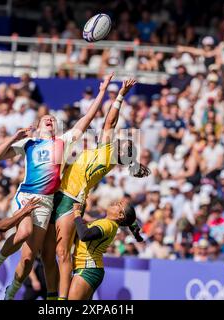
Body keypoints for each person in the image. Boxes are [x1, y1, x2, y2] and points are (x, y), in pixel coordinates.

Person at [0, 73, 115, 300]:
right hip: (27, 195)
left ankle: (12, 290)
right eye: (46, 118)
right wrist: (14, 136)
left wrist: (102, 92)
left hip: (46, 202)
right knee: (23, 231)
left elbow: (87, 118)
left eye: (53, 118)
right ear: (38, 125)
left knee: (29, 258)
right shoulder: (29, 143)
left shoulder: (63, 141)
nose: (50, 119)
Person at [42, 79, 150, 300]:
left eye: (125, 145)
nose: (121, 141)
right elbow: (110, 121)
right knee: (48, 252)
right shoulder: (105, 148)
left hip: (71, 200)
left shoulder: (107, 159)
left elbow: (110, 123)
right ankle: (53, 295)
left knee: (62, 253)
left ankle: (59, 301)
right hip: (58, 191)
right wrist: (120, 95)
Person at [67, 201, 142, 300]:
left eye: (118, 204)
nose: (114, 203)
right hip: (90, 268)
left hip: (87, 268)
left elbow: (85, 235)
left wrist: (77, 214)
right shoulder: (109, 224)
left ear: (120, 215)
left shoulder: (107, 224)